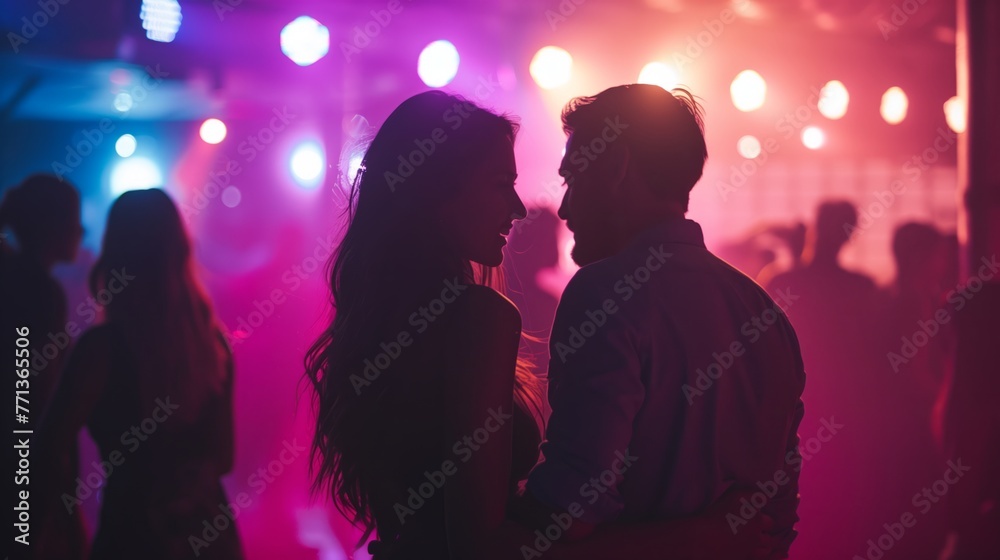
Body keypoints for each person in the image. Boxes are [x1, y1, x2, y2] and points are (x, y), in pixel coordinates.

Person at [304, 90, 771, 559]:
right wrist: (698, 540)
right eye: (499, 183)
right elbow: (483, 546)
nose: (521, 207)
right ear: (438, 190)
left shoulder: (388, 318)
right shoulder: (479, 317)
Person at [514, 84, 806, 559]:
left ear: (615, 167)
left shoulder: (603, 293)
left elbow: (569, 512)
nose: (565, 209)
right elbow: (775, 525)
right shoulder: (765, 315)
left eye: (572, 180)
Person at [34, 188, 243, 560]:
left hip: (132, 535)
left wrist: (59, 528)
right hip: (209, 534)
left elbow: (49, 448)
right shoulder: (212, 346)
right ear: (180, 250)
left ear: (115, 256)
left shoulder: (101, 350)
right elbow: (224, 457)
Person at [1, 174, 86, 560]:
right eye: (74, 219)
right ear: (52, 226)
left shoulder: (20, 282)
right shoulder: (40, 294)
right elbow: (30, 402)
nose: (82, 230)